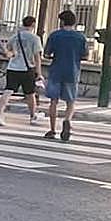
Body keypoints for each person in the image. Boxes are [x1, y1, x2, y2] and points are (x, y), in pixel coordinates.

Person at [42, 9, 88, 142]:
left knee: (53, 101)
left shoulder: (54, 35)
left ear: (62, 22)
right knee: (70, 101)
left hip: (56, 71)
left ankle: (52, 129)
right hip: (72, 72)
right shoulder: (81, 37)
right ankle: (67, 120)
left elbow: (46, 54)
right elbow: (85, 56)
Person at [0, 15, 43, 126]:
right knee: (30, 93)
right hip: (27, 68)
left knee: (8, 91)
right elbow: (37, 57)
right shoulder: (35, 38)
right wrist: (39, 73)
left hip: (13, 67)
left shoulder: (15, 37)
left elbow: (8, 50)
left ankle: (0, 114)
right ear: (33, 25)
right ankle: (32, 116)